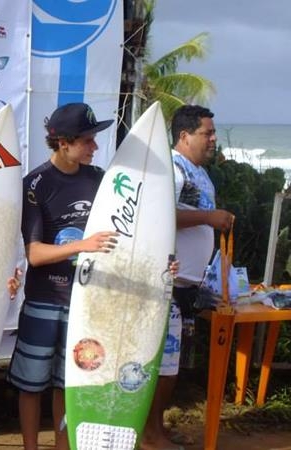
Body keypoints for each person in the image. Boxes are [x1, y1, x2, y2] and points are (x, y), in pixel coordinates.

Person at [7, 103, 118, 450]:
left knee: (67, 383)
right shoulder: (35, 185)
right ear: (64, 142)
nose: (95, 147)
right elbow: (35, 254)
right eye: (88, 140)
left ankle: (62, 446)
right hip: (43, 301)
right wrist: (83, 245)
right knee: (30, 385)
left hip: (84, 302)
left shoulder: (100, 180)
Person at [140, 105, 235, 450]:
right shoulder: (173, 169)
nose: (213, 139)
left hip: (186, 288)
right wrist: (210, 217)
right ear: (184, 136)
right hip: (167, 285)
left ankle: (156, 429)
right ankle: (149, 436)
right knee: (163, 368)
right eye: (207, 133)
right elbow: (160, 213)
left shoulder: (199, 172)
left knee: (170, 366)